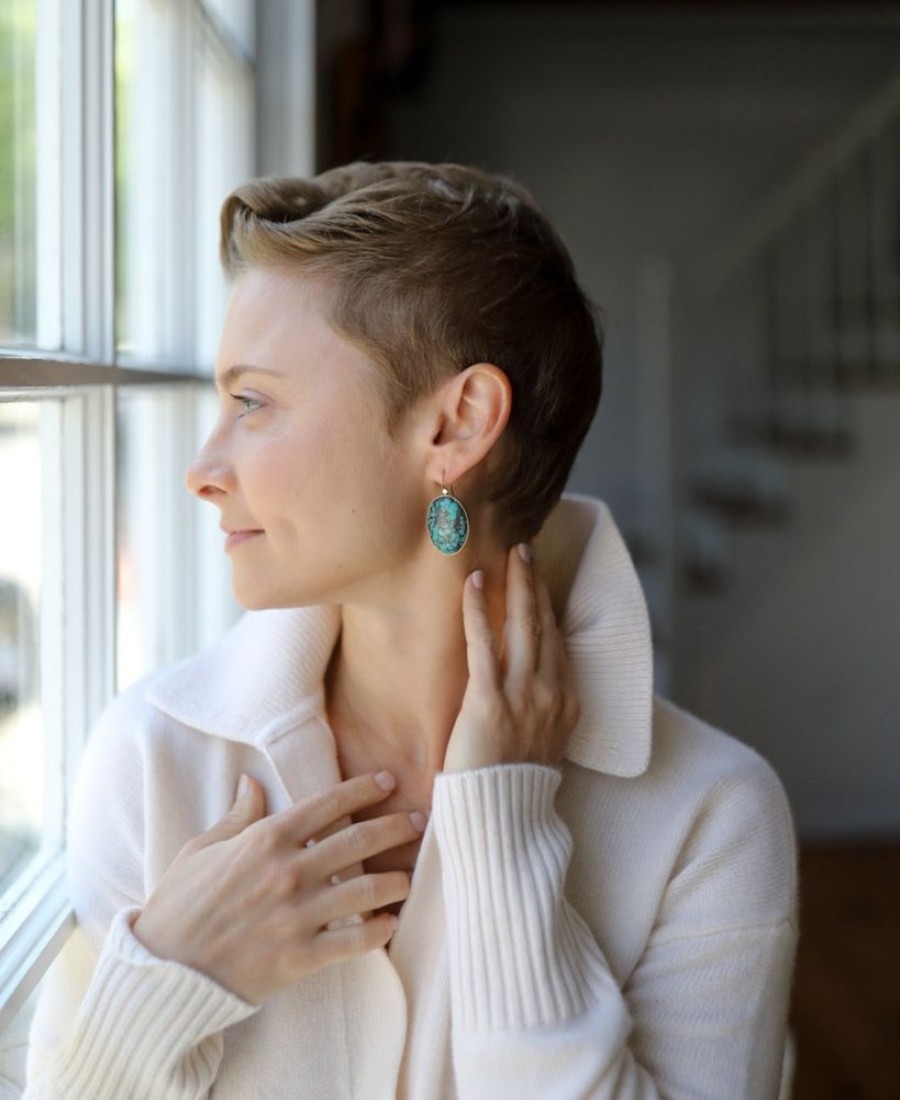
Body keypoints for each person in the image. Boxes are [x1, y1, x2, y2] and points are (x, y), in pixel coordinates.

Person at [20, 162, 797, 1099]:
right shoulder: (151, 762)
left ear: (457, 425)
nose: (203, 468)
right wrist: (167, 984)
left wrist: (503, 832)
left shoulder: (714, 819)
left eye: (252, 402)